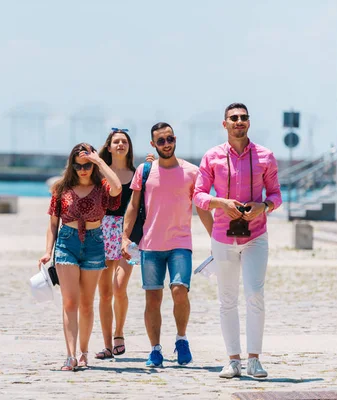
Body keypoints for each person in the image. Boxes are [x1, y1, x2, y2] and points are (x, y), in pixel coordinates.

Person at [193, 103, 282, 379]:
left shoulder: (265, 156)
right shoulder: (212, 156)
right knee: (227, 299)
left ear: (249, 122)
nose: (239, 122)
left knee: (255, 294)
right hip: (222, 236)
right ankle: (233, 360)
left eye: (243, 118)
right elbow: (198, 195)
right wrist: (220, 202)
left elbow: (277, 195)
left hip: (256, 236)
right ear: (225, 124)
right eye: (234, 118)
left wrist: (263, 206)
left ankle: (254, 359)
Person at [121, 122, 213, 368]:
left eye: (169, 138)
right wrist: (124, 236)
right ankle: (155, 349)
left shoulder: (192, 172)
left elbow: (202, 208)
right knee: (153, 298)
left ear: (175, 139)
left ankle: (182, 339)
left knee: (179, 291)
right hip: (150, 245)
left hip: (180, 243)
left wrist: (216, 238)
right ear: (153, 144)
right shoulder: (145, 170)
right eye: (160, 141)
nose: (166, 144)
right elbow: (133, 205)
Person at [38, 143, 122, 371]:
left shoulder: (102, 186)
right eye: (77, 165)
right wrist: (48, 251)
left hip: (95, 243)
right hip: (67, 242)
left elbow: (117, 188)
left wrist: (99, 161)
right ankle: (70, 355)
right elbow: (53, 223)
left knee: (86, 304)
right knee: (70, 302)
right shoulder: (61, 189)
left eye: (86, 164)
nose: (82, 169)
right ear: (71, 165)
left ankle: (84, 353)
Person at [94, 128, 153, 360]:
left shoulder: (139, 172)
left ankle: (119, 333)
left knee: (119, 287)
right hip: (101, 231)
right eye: (116, 141)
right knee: (105, 292)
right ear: (108, 147)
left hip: (127, 233)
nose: (120, 144)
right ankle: (108, 344)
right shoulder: (99, 173)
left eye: (124, 141)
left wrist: (152, 167)